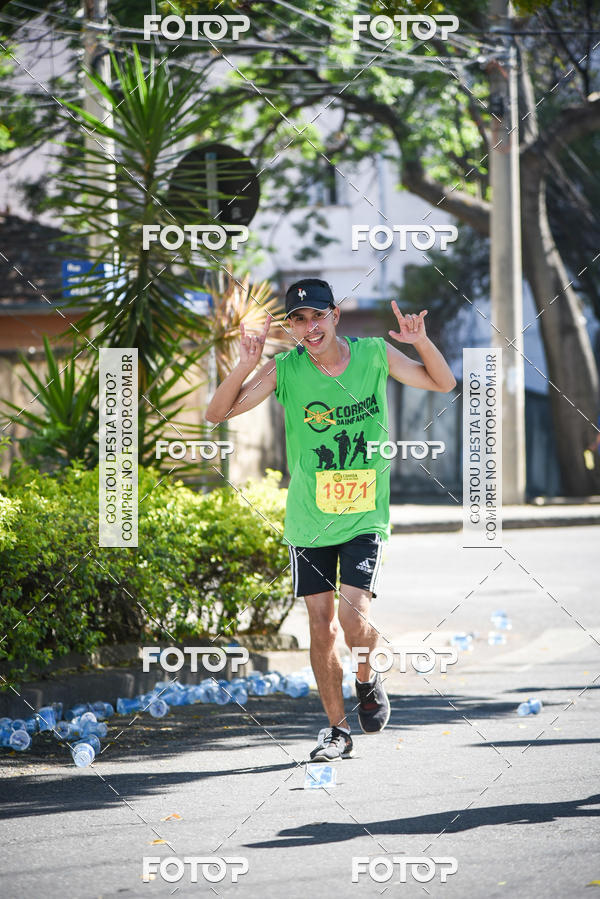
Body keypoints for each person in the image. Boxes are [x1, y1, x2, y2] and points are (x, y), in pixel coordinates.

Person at [205, 278, 456, 761]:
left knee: (352, 614)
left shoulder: (375, 355)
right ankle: (336, 731)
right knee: (321, 627)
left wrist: (420, 341)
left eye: (316, 316)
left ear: (335, 315)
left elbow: (443, 383)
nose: (308, 327)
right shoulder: (285, 370)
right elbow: (218, 413)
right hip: (308, 519)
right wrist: (244, 364)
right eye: (297, 320)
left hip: (363, 514)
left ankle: (367, 674)